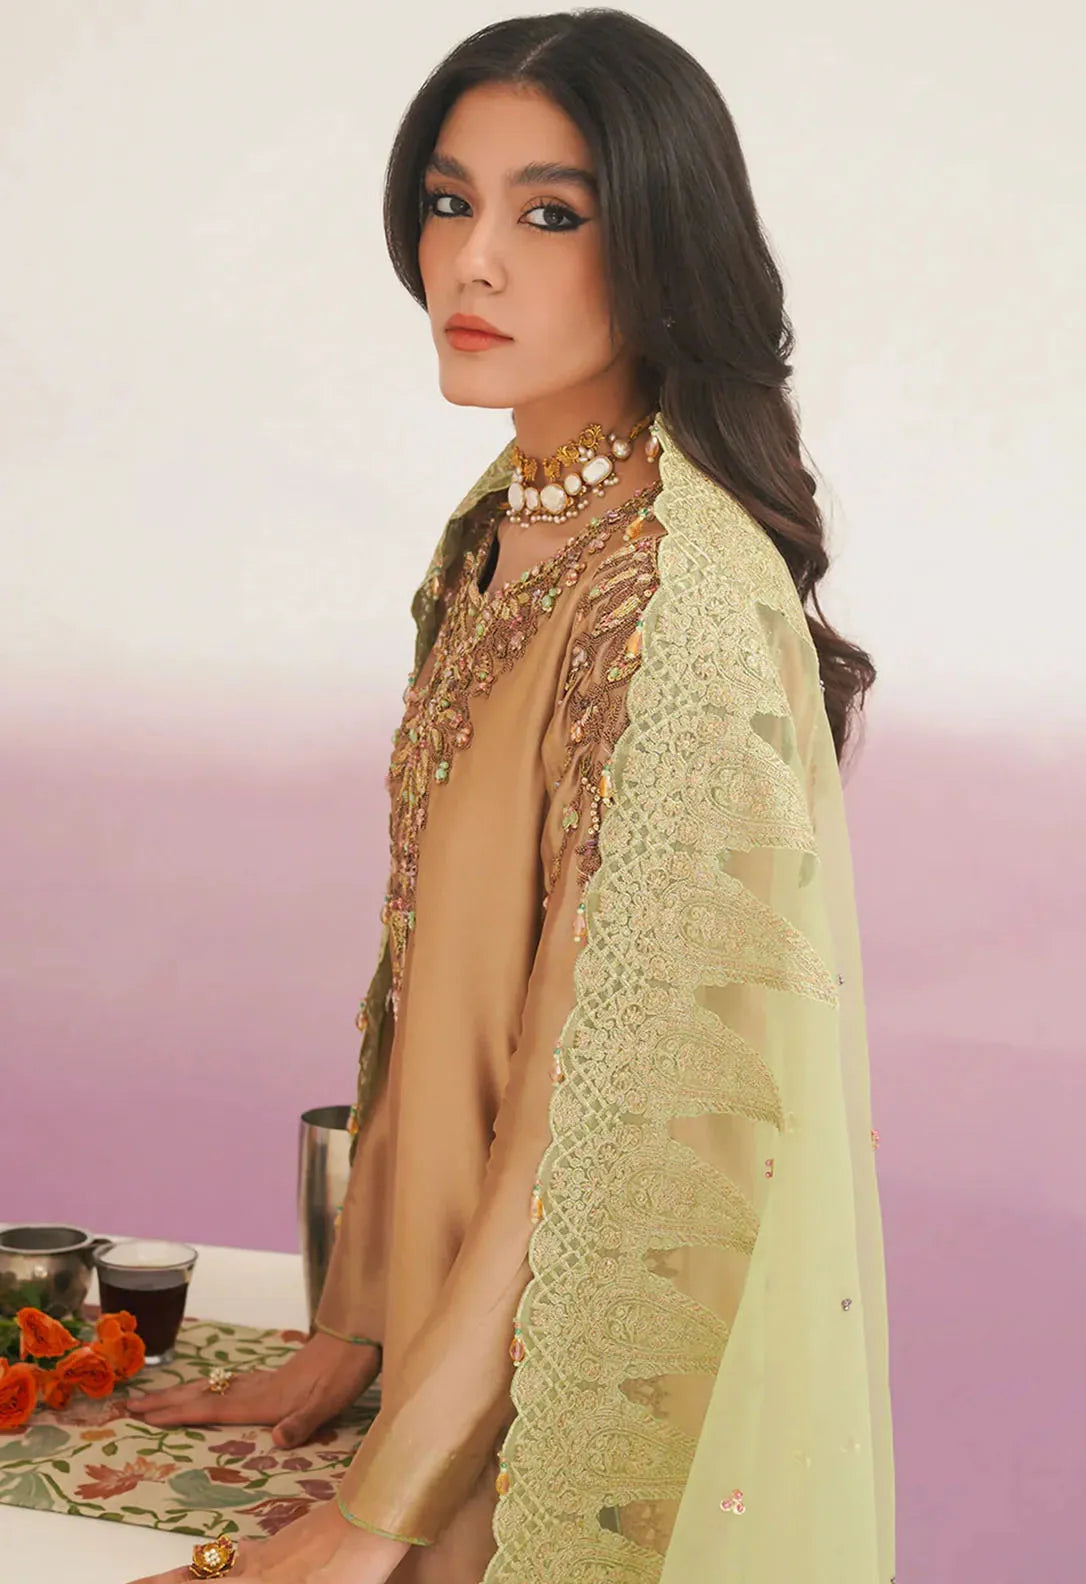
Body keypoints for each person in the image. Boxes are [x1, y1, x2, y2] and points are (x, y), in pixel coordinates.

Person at [127, 10, 895, 1582]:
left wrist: (384, 1507)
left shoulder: (666, 603)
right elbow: (432, 983)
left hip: (543, 1437)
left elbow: (577, 1118)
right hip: (434, 1371)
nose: (470, 262)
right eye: (446, 200)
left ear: (665, 245)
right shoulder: (502, 525)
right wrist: (353, 1334)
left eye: (551, 214)